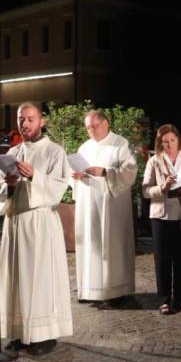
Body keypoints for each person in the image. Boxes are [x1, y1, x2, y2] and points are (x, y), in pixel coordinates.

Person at [0, 102, 72, 355]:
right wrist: (10, 184)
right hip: (15, 223)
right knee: (16, 277)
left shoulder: (55, 152)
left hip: (39, 223)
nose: (24, 124)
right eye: (21, 119)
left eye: (30, 119)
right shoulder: (13, 152)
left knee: (40, 277)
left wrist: (35, 175)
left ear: (41, 121)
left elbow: (59, 188)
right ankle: (19, 332)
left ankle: (43, 336)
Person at [71, 110, 138, 303]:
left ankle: (116, 290)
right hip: (88, 204)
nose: (90, 130)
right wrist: (77, 176)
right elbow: (76, 171)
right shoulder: (84, 147)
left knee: (112, 244)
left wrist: (105, 172)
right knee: (91, 245)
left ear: (105, 123)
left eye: (94, 126)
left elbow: (130, 171)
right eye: (87, 127)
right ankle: (89, 290)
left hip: (112, 205)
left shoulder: (120, 143)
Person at [142, 124, 181, 314]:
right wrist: (163, 188)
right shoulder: (154, 161)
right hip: (161, 216)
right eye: (165, 142)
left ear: (178, 140)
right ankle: (164, 300)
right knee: (163, 260)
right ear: (160, 143)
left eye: (172, 141)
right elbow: (145, 190)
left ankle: (180, 300)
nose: (169, 145)